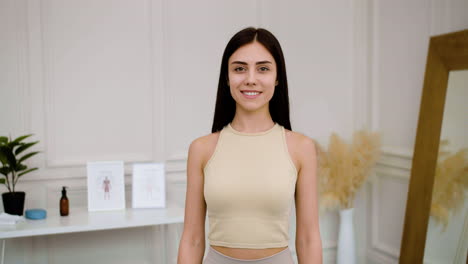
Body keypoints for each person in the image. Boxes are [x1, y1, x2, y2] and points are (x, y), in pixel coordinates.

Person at [177, 27, 322, 264]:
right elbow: (192, 239)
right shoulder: (202, 149)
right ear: (227, 77)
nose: (250, 79)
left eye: (263, 68)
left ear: (277, 78)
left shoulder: (301, 147)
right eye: (239, 69)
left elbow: (308, 238)